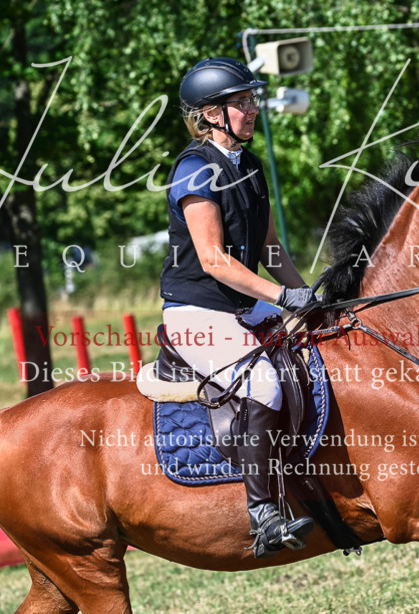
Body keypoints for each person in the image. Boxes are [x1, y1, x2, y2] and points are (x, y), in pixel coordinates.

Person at [160, 57, 315, 558]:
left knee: (321, 346)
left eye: (251, 100)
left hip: (246, 307)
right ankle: (264, 512)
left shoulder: (247, 164)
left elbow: (268, 245)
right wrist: (281, 297)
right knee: (264, 384)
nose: (251, 110)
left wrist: (308, 296)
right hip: (196, 312)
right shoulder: (194, 169)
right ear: (209, 114)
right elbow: (213, 260)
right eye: (240, 102)